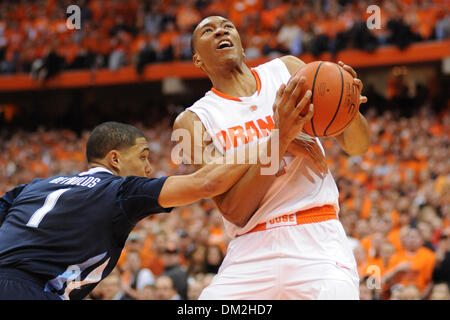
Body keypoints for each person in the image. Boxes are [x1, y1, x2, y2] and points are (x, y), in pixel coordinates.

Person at [0, 107, 310, 300]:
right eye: (144, 156)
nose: (149, 168)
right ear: (115, 159)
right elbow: (206, 183)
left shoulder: (33, 187)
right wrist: (276, 137)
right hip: (29, 290)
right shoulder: (120, 190)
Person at [173, 15, 370, 299]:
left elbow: (359, 146)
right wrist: (279, 141)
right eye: (208, 31)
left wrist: (347, 109)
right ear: (198, 61)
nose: (220, 31)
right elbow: (235, 211)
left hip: (315, 234)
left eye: (227, 27)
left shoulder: (288, 70)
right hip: (251, 246)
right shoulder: (193, 121)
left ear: (242, 46)